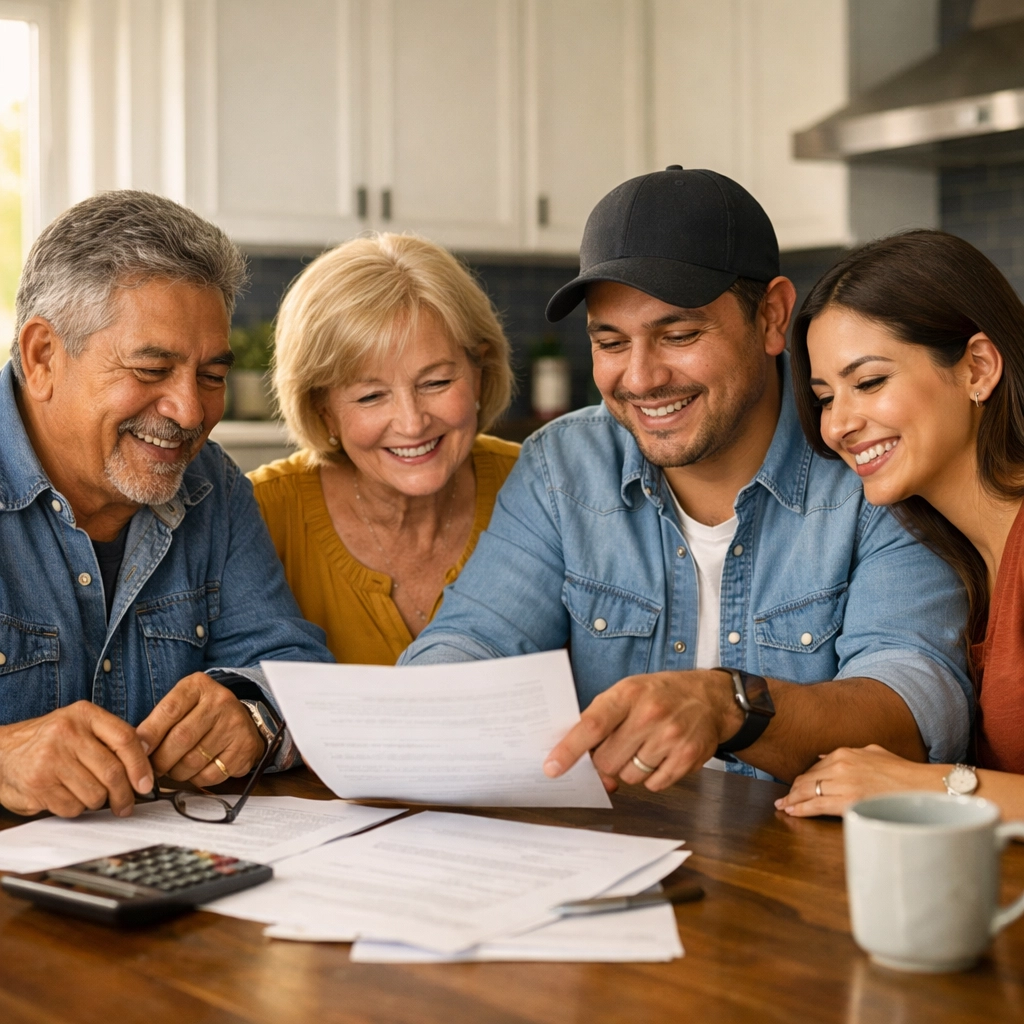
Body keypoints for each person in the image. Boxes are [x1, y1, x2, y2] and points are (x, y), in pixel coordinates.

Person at [401, 166, 973, 793]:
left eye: (679, 335)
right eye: (611, 342)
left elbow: (913, 705)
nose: (641, 379)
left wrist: (730, 705)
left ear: (773, 317)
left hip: (800, 863)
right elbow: (473, 639)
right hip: (616, 857)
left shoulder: (869, 463)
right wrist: (417, 705)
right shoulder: (561, 467)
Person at [0, 190, 332, 819]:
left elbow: (293, 669)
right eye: (152, 370)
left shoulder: (215, 487)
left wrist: (252, 713)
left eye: (211, 376)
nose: (189, 412)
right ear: (43, 356)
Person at [779, 230, 1024, 819]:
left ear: (978, 368)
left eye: (868, 382)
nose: (838, 425)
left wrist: (927, 785)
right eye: (823, 396)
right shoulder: (962, 556)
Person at [249, 233, 518, 663]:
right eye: (371, 396)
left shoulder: (539, 490)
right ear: (323, 410)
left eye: (436, 383)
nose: (412, 423)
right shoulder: (259, 515)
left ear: (480, 373)